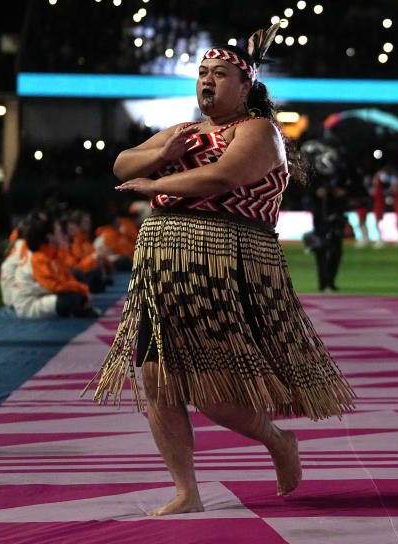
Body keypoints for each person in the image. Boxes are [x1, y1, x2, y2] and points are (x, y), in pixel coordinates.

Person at [86, 27, 355, 516]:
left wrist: (155, 182)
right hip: (163, 271)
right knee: (156, 378)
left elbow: (224, 176)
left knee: (211, 390)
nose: (207, 81)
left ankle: (278, 440)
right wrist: (160, 155)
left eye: (220, 74)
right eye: (202, 73)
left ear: (245, 84)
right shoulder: (183, 131)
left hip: (223, 266)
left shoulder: (259, 131)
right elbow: (122, 164)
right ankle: (186, 490)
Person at [14, 216, 100, 319]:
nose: (63, 235)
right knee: (72, 296)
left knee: (75, 279)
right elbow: (55, 286)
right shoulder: (38, 258)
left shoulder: (51, 254)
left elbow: (67, 276)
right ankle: (79, 309)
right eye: (59, 232)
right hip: (30, 304)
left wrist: (81, 290)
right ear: (49, 237)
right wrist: (82, 289)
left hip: (42, 295)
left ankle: (81, 308)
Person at [308, 178, 348, 292]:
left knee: (333, 258)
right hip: (320, 233)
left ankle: (330, 282)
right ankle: (324, 284)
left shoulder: (334, 201)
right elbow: (318, 218)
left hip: (333, 233)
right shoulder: (318, 202)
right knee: (322, 260)